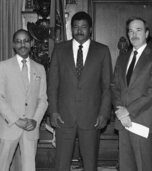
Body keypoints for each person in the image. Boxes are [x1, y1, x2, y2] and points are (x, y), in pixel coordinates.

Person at [48, 11, 112, 171]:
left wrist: (104, 113)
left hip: (92, 118)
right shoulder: (59, 49)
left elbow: (107, 86)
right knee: (61, 164)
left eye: (83, 27)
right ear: (71, 28)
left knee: (90, 165)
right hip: (63, 117)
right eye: (75, 27)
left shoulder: (102, 51)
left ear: (90, 29)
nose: (79, 30)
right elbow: (52, 84)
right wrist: (53, 111)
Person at [111, 17, 152, 171]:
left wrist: (128, 111)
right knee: (126, 167)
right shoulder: (122, 58)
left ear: (147, 33)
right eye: (130, 31)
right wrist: (120, 111)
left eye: (138, 30)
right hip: (123, 122)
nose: (134, 34)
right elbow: (114, 87)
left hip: (143, 121)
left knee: (144, 167)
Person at [0, 29, 48, 171]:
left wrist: (35, 120)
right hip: (9, 126)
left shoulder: (40, 69)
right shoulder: (3, 66)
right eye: (18, 41)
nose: (22, 44)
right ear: (13, 45)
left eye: (25, 41)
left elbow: (43, 99)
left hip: (31, 128)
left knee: (30, 167)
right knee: (2, 166)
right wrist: (16, 119)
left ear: (31, 43)